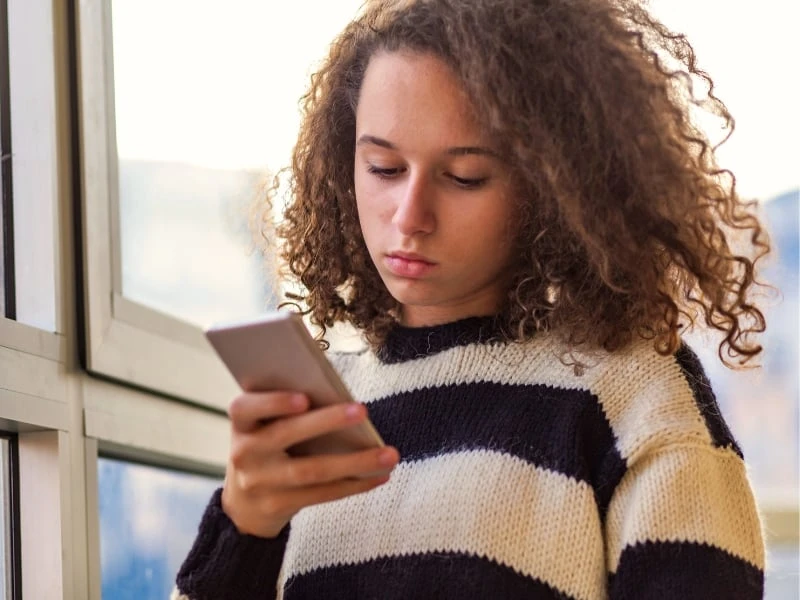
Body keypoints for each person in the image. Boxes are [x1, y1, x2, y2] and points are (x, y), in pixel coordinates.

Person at [173, 0, 770, 598]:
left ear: (554, 187)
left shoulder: (637, 401)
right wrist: (243, 527)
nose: (409, 217)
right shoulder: (327, 409)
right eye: (382, 167)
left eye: (464, 177)